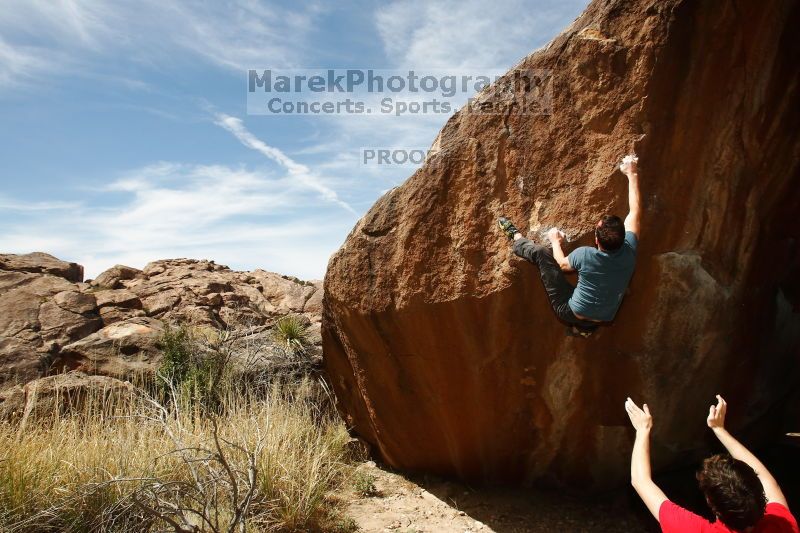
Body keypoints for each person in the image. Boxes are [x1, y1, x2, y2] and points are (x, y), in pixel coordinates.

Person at [497, 154, 641, 337]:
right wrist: (632, 173)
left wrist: (555, 241)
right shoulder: (630, 250)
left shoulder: (586, 255)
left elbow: (562, 265)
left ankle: (516, 238)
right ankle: (585, 330)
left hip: (569, 311)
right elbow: (635, 210)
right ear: (624, 236)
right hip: (605, 316)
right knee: (596, 291)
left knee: (541, 253)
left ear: (596, 240)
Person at [625, 395, 799, 532]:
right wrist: (720, 430)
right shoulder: (781, 525)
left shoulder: (692, 529)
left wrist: (643, 429)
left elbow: (641, 481)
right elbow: (768, 482)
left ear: (710, 502)